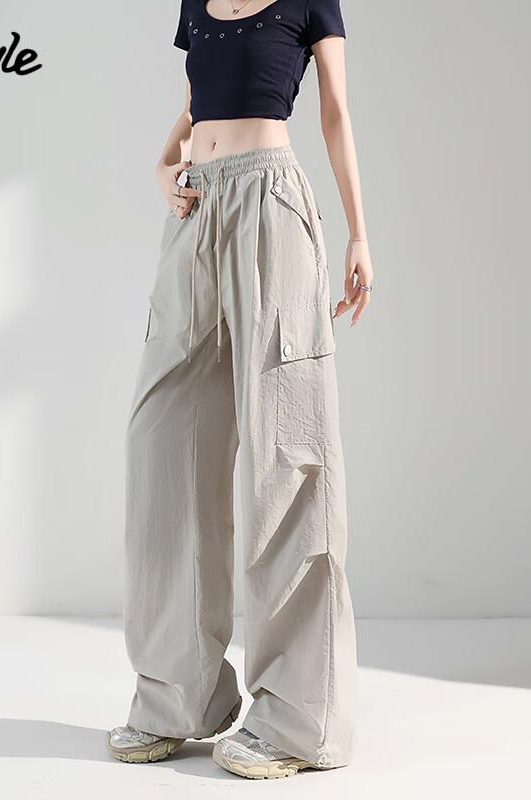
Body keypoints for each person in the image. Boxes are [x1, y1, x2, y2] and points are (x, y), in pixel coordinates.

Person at [107, 0, 374, 780]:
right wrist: (165, 165)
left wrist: (359, 233)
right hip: (197, 212)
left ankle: (300, 718)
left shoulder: (308, 1)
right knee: (164, 443)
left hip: (272, 204)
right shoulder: (196, 3)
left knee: (287, 449)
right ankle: (178, 696)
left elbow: (335, 111)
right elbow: (197, 103)